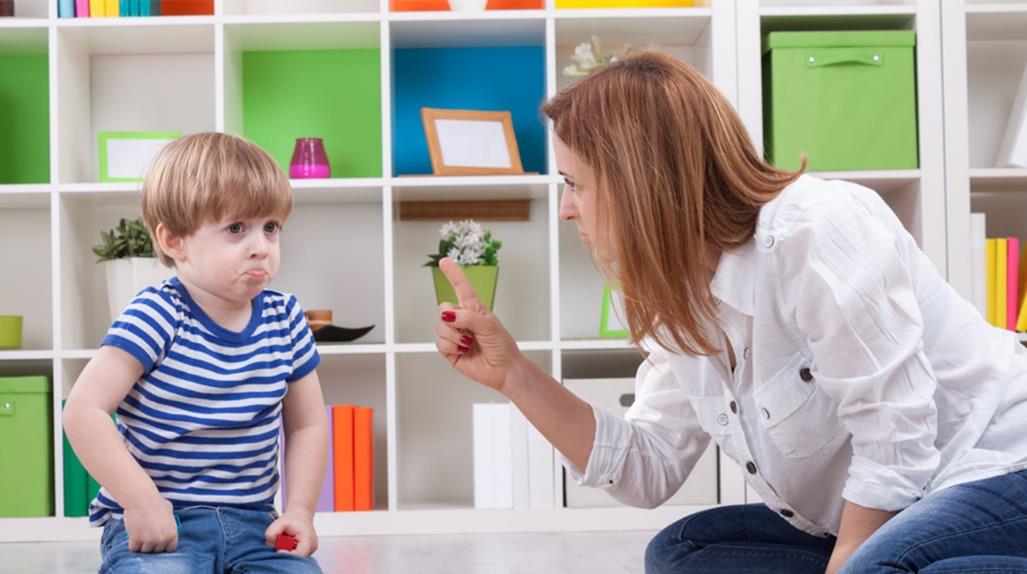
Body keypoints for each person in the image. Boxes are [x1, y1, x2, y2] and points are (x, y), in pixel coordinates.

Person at [433, 51, 1027, 573]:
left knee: (880, 563)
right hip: (904, 505)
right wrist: (514, 375)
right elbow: (647, 468)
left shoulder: (815, 230)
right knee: (682, 553)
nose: (567, 209)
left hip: (997, 466)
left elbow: (895, 440)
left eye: (574, 184)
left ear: (638, 181)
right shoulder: (681, 294)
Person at [63, 132, 327, 573]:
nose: (261, 246)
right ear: (174, 241)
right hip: (163, 522)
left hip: (256, 526)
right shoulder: (157, 314)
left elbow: (307, 425)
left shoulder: (285, 319)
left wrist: (300, 510)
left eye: (271, 227)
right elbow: (83, 410)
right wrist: (141, 501)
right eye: (236, 229)